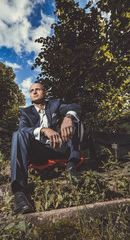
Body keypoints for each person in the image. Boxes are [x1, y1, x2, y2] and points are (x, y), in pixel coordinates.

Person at [10, 82, 82, 215]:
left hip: (59, 146)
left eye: (38, 89)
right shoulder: (25, 112)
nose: (35, 92)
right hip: (39, 151)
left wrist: (68, 117)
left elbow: (74, 107)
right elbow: (24, 129)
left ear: (45, 93)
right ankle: (19, 194)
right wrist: (43, 130)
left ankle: (72, 167)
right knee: (18, 134)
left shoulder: (55, 104)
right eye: (32, 91)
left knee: (72, 121)